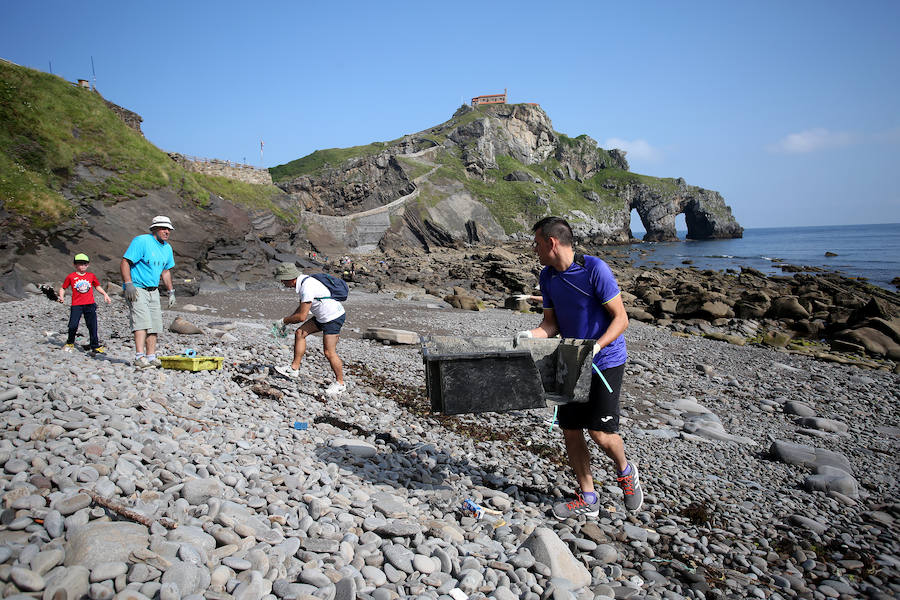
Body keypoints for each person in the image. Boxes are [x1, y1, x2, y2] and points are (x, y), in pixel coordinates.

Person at [517, 216, 643, 518]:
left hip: (606, 360)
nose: (534, 249)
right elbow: (551, 324)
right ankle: (588, 497)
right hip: (571, 359)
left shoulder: (594, 269)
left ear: (552, 242)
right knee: (571, 430)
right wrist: (528, 336)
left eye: (536, 243)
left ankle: (626, 471)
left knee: (600, 434)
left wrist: (596, 347)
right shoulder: (547, 278)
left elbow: (621, 319)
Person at [272, 263, 347, 396]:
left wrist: (283, 321)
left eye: (283, 279)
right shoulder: (304, 282)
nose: (282, 282)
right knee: (300, 333)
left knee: (329, 352)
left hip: (333, 317)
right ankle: (294, 369)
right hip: (322, 316)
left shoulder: (307, 287)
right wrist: (288, 321)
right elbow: (302, 308)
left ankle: (340, 384)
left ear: (291, 278)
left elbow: (301, 316)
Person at [121, 215, 176, 369]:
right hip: (137, 288)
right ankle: (139, 356)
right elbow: (125, 262)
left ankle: (151, 356)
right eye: (163, 228)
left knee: (154, 325)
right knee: (141, 322)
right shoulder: (142, 241)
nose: (167, 231)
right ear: (155, 229)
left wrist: (171, 291)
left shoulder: (167, 248)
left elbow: (165, 271)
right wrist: (128, 284)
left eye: (169, 229)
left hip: (154, 291)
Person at [58, 253, 112, 354]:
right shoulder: (71, 277)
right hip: (76, 305)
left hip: (90, 304)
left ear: (88, 265)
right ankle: (70, 343)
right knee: (73, 325)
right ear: (75, 265)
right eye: (80, 264)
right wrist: (61, 296)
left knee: (92, 326)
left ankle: (95, 346)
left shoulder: (91, 276)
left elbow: (97, 286)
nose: (83, 266)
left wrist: (105, 294)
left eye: (85, 264)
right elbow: (63, 288)